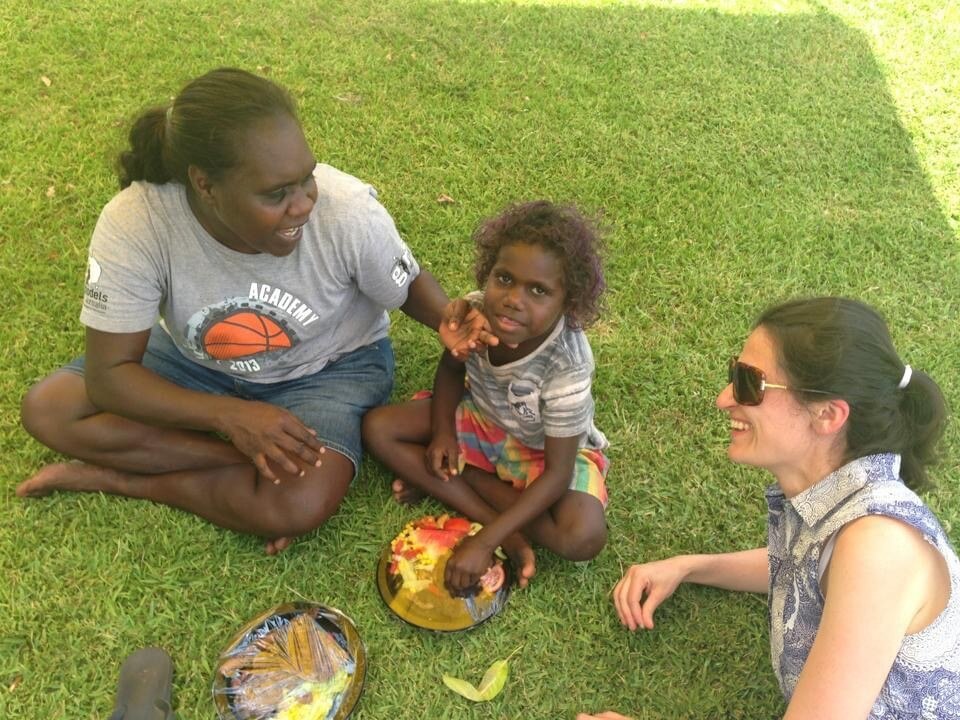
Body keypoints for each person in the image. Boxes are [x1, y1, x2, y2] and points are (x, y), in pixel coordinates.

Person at [17, 67, 492, 554]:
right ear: (204, 185)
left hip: (329, 368)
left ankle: (125, 479)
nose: (303, 203)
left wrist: (446, 320)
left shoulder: (345, 209)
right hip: (198, 363)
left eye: (306, 178)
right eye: (276, 194)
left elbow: (406, 284)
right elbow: (110, 375)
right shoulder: (138, 221)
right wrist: (231, 418)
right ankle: (249, 464)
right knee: (52, 409)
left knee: (297, 504)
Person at [578, 297, 960, 720]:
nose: (725, 399)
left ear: (827, 415)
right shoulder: (838, 499)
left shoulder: (878, 549)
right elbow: (804, 568)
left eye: (749, 383)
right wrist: (688, 567)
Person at [363, 200, 610, 593]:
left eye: (539, 290)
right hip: (479, 418)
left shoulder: (568, 366)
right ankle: (483, 502)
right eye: (505, 279)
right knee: (378, 428)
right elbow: (450, 369)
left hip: (543, 452)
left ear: (569, 303)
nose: (514, 298)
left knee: (581, 537)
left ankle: (462, 478)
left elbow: (558, 474)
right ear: (488, 273)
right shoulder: (477, 311)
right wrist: (443, 433)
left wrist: (483, 541)